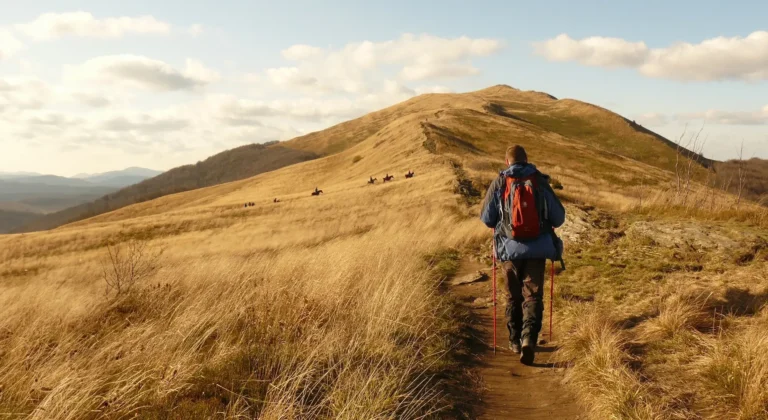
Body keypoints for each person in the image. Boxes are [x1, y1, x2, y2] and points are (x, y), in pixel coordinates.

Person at [480, 145, 566, 365]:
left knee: (513, 295)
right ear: (527, 160)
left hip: (509, 250)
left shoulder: (500, 182)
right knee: (533, 296)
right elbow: (558, 218)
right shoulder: (538, 180)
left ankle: (515, 340)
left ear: (507, 161)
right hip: (537, 250)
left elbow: (487, 219)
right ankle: (529, 339)